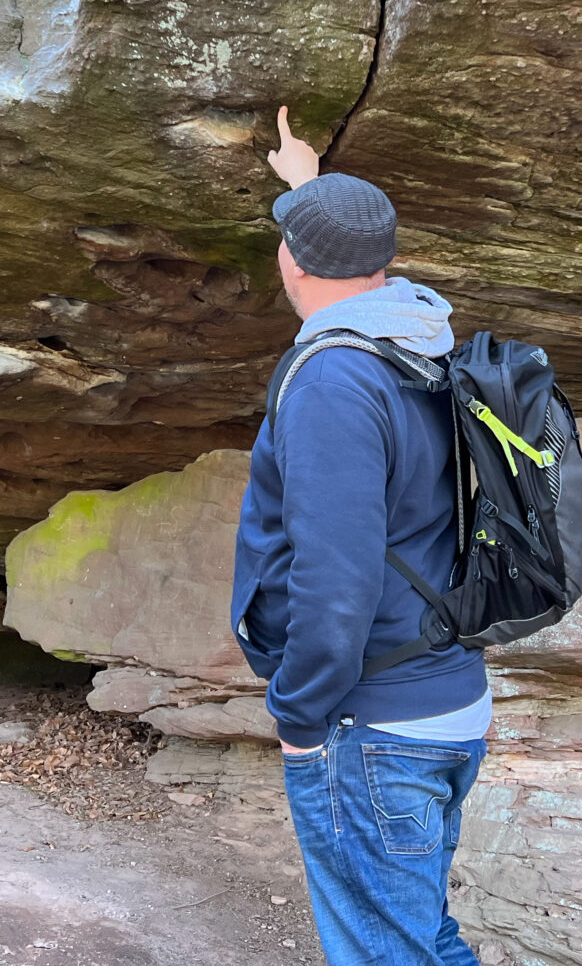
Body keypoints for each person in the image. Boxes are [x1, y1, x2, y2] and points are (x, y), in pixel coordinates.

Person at [230, 106, 491, 966]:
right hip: (442, 696)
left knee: (387, 951)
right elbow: (342, 251)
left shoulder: (333, 382)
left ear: (291, 260)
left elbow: (335, 578)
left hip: (371, 724)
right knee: (419, 938)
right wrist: (308, 185)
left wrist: (300, 717)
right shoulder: (415, 336)